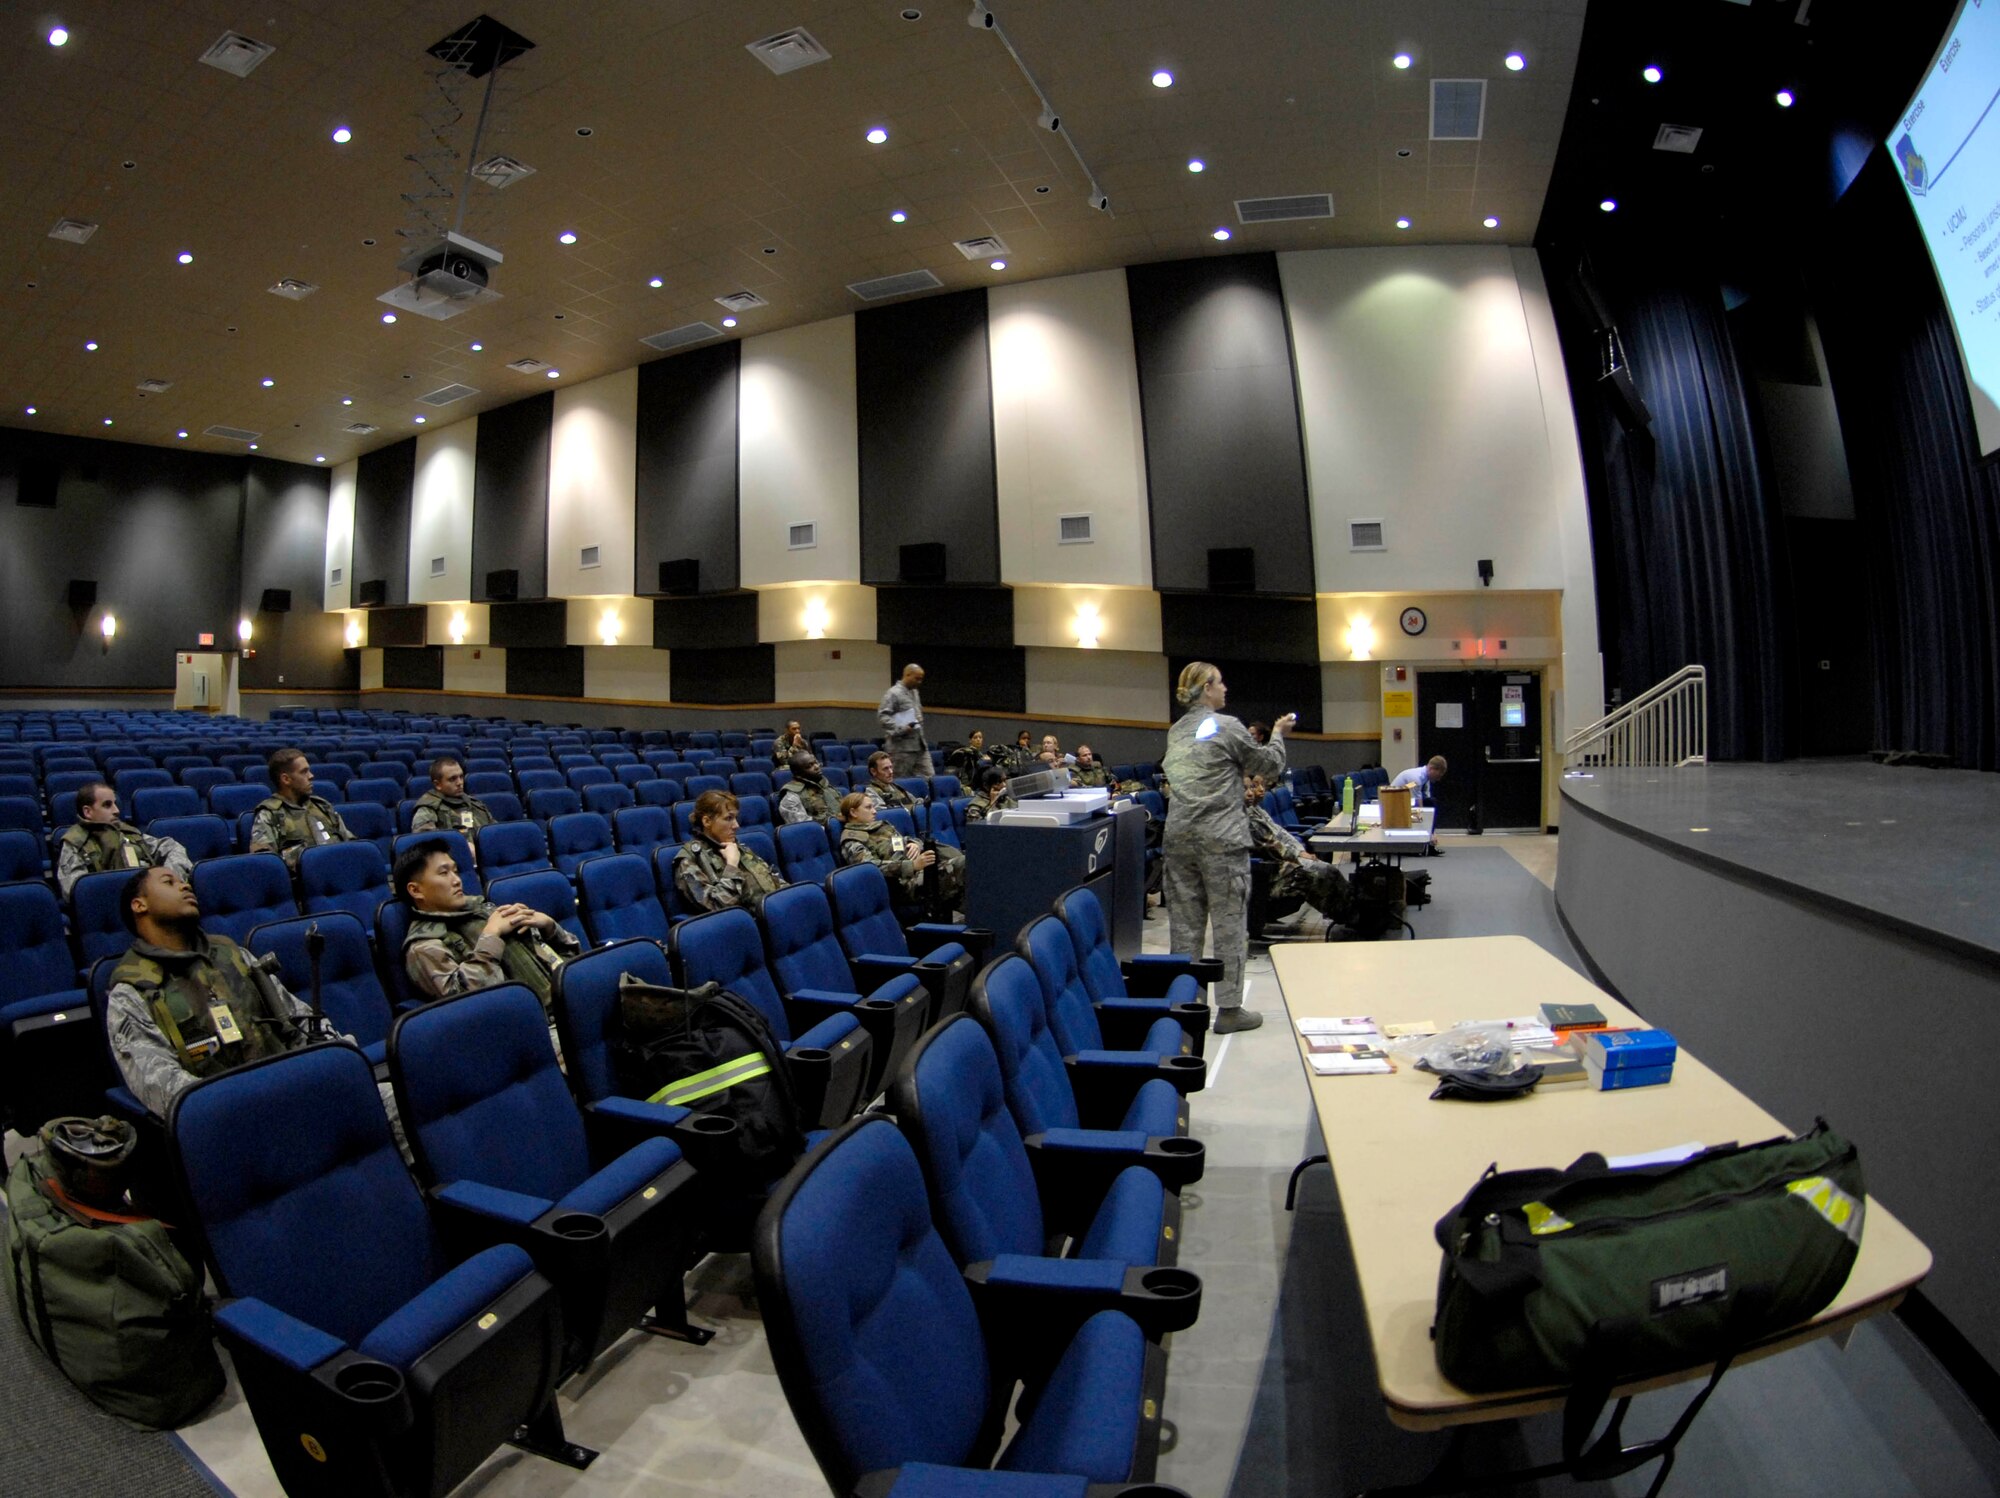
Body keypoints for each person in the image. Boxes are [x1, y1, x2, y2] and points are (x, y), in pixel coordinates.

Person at [104, 866, 322, 1117]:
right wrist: (246, 1105)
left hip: (295, 1087)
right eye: (169, 882)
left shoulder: (232, 953)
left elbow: (299, 1021)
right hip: (230, 1116)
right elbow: (162, 1085)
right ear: (139, 905)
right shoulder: (132, 990)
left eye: (184, 881)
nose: (185, 886)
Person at [1159, 661, 1293, 1035]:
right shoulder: (1228, 725)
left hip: (1179, 838)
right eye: (1219, 682)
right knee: (1229, 923)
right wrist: (1279, 733)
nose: (1225, 688)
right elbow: (1268, 765)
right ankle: (1230, 1010)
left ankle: (1187, 1007)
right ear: (1205, 689)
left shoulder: (1176, 731)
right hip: (1221, 839)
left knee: (1184, 927)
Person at [396, 839, 578, 1011]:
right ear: (416, 890)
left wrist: (549, 928)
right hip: (526, 1029)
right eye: (444, 873)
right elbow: (465, 1002)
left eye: (456, 871)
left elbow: (568, 959)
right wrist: (491, 937)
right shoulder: (423, 946)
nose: (457, 880)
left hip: (566, 1003)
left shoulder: (484, 912)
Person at [1244, 775, 1352, 925]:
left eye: (1252, 788)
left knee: (1329, 870)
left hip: (1286, 865)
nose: (1253, 792)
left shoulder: (1256, 810)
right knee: (1321, 874)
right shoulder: (1245, 817)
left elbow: (1282, 833)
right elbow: (1273, 845)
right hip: (1273, 873)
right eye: (1248, 788)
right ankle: (1351, 918)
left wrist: (1300, 851)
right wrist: (1300, 856)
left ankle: (1354, 911)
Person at [55, 781, 192, 899]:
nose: (116, 810)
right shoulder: (75, 843)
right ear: (88, 812)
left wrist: (167, 882)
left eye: (115, 804)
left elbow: (171, 847)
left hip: (151, 901)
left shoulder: (127, 832)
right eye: (107, 805)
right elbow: (76, 891)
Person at [837, 791, 963, 912]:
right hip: (902, 885)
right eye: (868, 808)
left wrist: (914, 844)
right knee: (962, 866)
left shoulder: (881, 827)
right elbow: (869, 868)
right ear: (853, 812)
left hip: (919, 872)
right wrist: (912, 866)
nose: (874, 811)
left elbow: (903, 840)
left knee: (967, 871)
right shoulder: (852, 839)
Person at [863, 751, 967, 889]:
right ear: (873, 771)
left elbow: (918, 803)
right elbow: (884, 817)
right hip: (899, 839)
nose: (891, 772)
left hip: (915, 838)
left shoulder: (897, 788)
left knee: (954, 855)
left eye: (891, 767)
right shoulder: (871, 793)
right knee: (956, 863)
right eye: (885, 769)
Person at [674, 789, 787, 915]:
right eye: (728, 818)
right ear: (707, 821)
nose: (736, 825)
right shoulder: (689, 859)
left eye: (735, 818)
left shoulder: (736, 846)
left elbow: (773, 881)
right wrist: (732, 865)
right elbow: (716, 907)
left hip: (775, 913)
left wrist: (790, 896)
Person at [249, 748, 354, 872]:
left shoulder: (322, 805)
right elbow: (266, 865)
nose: (311, 776)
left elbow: (350, 842)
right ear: (286, 779)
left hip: (341, 873)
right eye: (304, 772)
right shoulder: (269, 814)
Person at [409, 756, 493, 839]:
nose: (460, 783)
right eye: (452, 779)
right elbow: (425, 841)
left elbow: (495, 833)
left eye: (461, 777)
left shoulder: (475, 803)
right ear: (437, 784)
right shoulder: (428, 808)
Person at [878, 663, 933, 777]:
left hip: (919, 745)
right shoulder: (893, 693)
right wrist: (902, 728)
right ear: (907, 675)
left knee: (929, 777)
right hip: (901, 748)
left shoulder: (914, 692)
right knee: (901, 781)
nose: (919, 682)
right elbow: (883, 717)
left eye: (921, 679)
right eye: (917, 678)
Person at [1390, 755, 1449, 856]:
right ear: (1431, 769)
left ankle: (1428, 844)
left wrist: (1431, 829)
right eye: (1438, 775)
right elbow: (1417, 805)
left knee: (1431, 804)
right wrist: (1429, 831)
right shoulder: (1416, 779)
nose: (1439, 779)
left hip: (1405, 801)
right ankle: (1422, 843)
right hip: (1394, 804)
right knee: (1422, 812)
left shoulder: (1425, 778)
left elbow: (1427, 798)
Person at [776, 749, 838, 825]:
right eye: (809, 766)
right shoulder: (791, 797)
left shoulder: (825, 786)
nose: (816, 767)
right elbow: (805, 827)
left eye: (816, 762)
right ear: (798, 773)